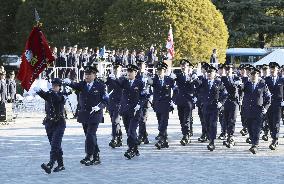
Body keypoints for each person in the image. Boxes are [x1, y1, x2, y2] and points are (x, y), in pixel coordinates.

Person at [64, 65, 108, 165]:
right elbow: (74, 86)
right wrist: (69, 82)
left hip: (95, 114)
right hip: (84, 114)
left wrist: (99, 107)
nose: (87, 76)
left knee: (90, 134)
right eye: (86, 74)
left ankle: (89, 156)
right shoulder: (82, 84)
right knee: (89, 136)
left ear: (94, 75)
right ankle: (96, 156)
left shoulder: (100, 86)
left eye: (89, 74)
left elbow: (105, 100)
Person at [34, 78, 68, 174]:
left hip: (59, 123)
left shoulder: (63, 95)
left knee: (55, 145)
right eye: (53, 85)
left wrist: (51, 92)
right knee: (56, 145)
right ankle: (61, 165)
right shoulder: (49, 94)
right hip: (49, 123)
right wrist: (39, 90)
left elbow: (58, 100)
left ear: (60, 87)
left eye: (56, 86)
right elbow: (44, 96)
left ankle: (50, 164)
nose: (54, 87)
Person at [195, 65, 226, 151]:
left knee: (213, 124)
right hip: (205, 107)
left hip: (214, 107)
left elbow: (224, 94)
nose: (209, 74)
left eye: (211, 73)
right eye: (208, 73)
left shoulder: (219, 83)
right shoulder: (203, 82)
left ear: (214, 74)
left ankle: (212, 141)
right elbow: (196, 90)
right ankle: (209, 137)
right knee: (207, 124)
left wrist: (221, 103)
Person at [116, 64, 144, 159]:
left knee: (132, 130)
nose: (129, 73)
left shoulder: (140, 83)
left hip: (135, 111)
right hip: (125, 110)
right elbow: (117, 83)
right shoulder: (124, 81)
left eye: (131, 72)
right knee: (128, 131)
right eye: (128, 71)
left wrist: (139, 104)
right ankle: (135, 148)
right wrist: (114, 77)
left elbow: (144, 96)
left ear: (135, 73)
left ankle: (131, 149)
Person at [242, 67, 271, 154]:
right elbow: (239, 91)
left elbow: (268, 97)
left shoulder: (263, 85)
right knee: (250, 128)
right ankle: (253, 141)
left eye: (256, 75)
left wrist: (265, 108)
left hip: (258, 110)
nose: (254, 76)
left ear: (258, 76)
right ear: (249, 76)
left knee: (257, 128)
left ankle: (255, 145)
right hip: (248, 110)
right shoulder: (246, 84)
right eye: (252, 75)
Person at [170, 59, 197, 146]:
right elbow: (171, 83)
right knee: (181, 119)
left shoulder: (192, 75)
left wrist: (194, 79)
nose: (183, 67)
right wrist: (171, 77)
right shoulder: (178, 75)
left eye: (185, 65)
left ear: (188, 67)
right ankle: (185, 133)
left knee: (187, 119)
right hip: (180, 100)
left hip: (189, 101)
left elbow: (197, 86)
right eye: (182, 65)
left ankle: (186, 136)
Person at [149, 62, 175, 149]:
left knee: (164, 121)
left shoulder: (169, 79)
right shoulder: (155, 79)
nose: (159, 72)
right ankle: (163, 137)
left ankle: (161, 139)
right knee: (160, 120)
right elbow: (150, 83)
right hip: (157, 103)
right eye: (158, 71)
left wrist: (173, 100)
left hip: (166, 103)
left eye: (161, 70)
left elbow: (175, 89)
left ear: (165, 71)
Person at [265, 62, 284, 150]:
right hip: (268, 104)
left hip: (278, 104)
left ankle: (274, 139)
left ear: (278, 70)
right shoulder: (266, 79)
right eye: (271, 69)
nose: (273, 71)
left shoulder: (282, 80)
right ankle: (273, 136)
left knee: (276, 122)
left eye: (274, 69)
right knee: (270, 122)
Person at [106, 61, 123, 148]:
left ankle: (114, 138)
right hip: (111, 103)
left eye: (118, 69)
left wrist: (116, 78)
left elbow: (121, 85)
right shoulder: (110, 78)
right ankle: (119, 137)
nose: (116, 70)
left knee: (115, 121)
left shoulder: (123, 78)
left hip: (119, 103)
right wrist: (107, 78)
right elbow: (104, 83)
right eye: (115, 69)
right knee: (115, 121)